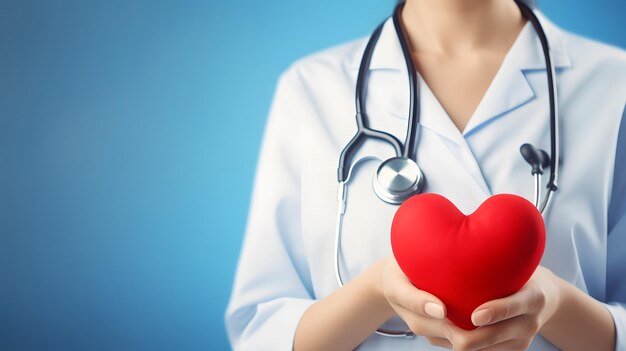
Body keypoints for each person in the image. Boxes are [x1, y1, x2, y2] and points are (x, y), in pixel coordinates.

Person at [225, 0, 626, 350]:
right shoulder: (312, 88)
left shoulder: (613, 84)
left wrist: (558, 305)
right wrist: (374, 293)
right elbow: (263, 329)